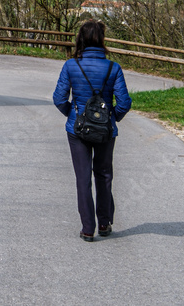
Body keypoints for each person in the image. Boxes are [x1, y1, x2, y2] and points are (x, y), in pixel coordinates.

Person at [53, 19, 131, 242]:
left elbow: (59, 98)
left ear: (81, 39)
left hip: (77, 130)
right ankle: (105, 223)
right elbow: (124, 102)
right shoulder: (113, 68)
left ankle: (88, 228)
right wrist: (110, 118)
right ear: (102, 40)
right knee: (104, 175)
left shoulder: (71, 65)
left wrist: (74, 115)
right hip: (106, 131)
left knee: (83, 178)